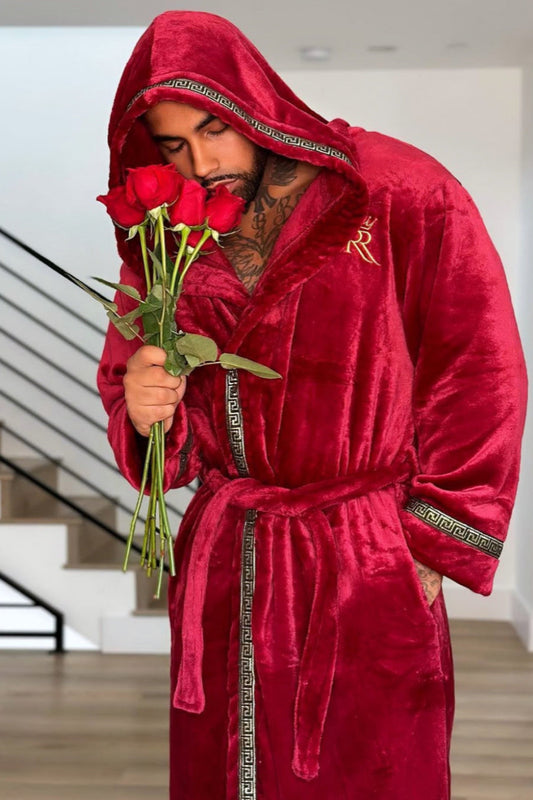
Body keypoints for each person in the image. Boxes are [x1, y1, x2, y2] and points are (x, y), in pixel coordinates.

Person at [97, 11, 527, 800]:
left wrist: (434, 537)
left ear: (255, 102)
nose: (202, 161)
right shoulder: (166, 236)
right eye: (171, 146)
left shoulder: (398, 188)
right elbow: (137, 374)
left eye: (215, 128)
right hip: (231, 554)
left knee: (376, 766)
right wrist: (147, 408)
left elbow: (478, 362)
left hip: (364, 555)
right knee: (222, 770)